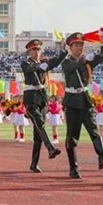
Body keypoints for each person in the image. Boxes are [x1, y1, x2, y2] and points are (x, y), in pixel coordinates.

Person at [61, 31, 103, 180]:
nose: (79, 47)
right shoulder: (66, 62)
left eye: (81, 45)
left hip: (85, 99)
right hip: (72, 101)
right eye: (76, 45)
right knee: (72, 136)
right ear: (70, 47)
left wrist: (102, 37)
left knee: (94, 131)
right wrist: (84, 60)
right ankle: (73, 167)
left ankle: (102, 158)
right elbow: (72, 68)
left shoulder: (87, 61)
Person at [21, 39, 65, 172]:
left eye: (39, 50)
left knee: (38, 132)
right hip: (31, 97)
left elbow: (56, 61)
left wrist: (63, 51)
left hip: (42, 97)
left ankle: (34, 164)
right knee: (39, 122)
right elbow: (30, 69)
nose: (37, 52)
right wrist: (42, 65)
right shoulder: (26, 63)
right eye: (34, 50)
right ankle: (50, 148)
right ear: (29, 51)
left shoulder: (43, 62)